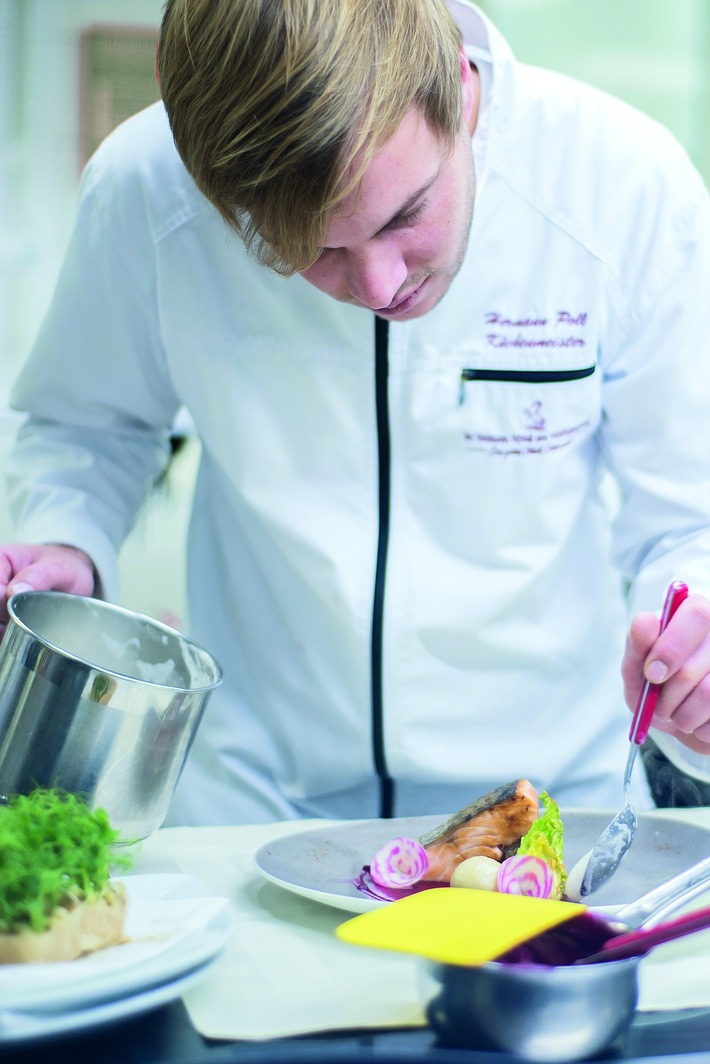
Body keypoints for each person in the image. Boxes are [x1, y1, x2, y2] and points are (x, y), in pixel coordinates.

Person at [2, 0, 710, 826]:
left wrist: (693, 644)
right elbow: (88, 424)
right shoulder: (146, 188)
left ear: (455, 80)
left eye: (406, 214)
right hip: (254, 800)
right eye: (311, 250)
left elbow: (687, 515)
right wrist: (67, 536)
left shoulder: (624, 185)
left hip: (551, 799)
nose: (380, 286)